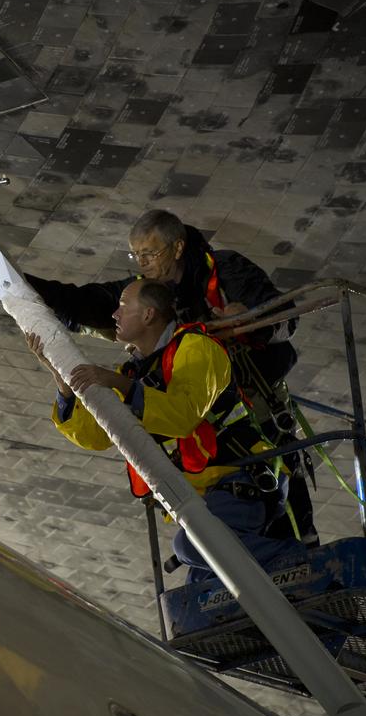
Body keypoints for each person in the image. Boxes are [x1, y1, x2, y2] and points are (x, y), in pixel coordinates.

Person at [25, 208, 314, 541]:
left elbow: (284, 318)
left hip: (252, 414)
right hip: (206, 444)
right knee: (215, 542)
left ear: (177, 248)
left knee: (287, 518)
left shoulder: (225, 271)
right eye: (136, 255)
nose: (142, 263)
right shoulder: (142, 292)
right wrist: (16, 283)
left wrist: (248, 320)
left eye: (149, 253)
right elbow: (84, 302)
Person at [26, 279, 302, 583]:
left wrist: (120, 385)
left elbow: (182, 416)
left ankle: (302, 564)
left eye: (122, 306)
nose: (114, 315)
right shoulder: (133, 374)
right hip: (204, 499)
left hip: (240, 482)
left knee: (190, 547)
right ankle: (295, 579)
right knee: (198, 602)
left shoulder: (197, 348)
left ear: (148, 315)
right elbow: (95, 435)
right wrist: (60, 377)